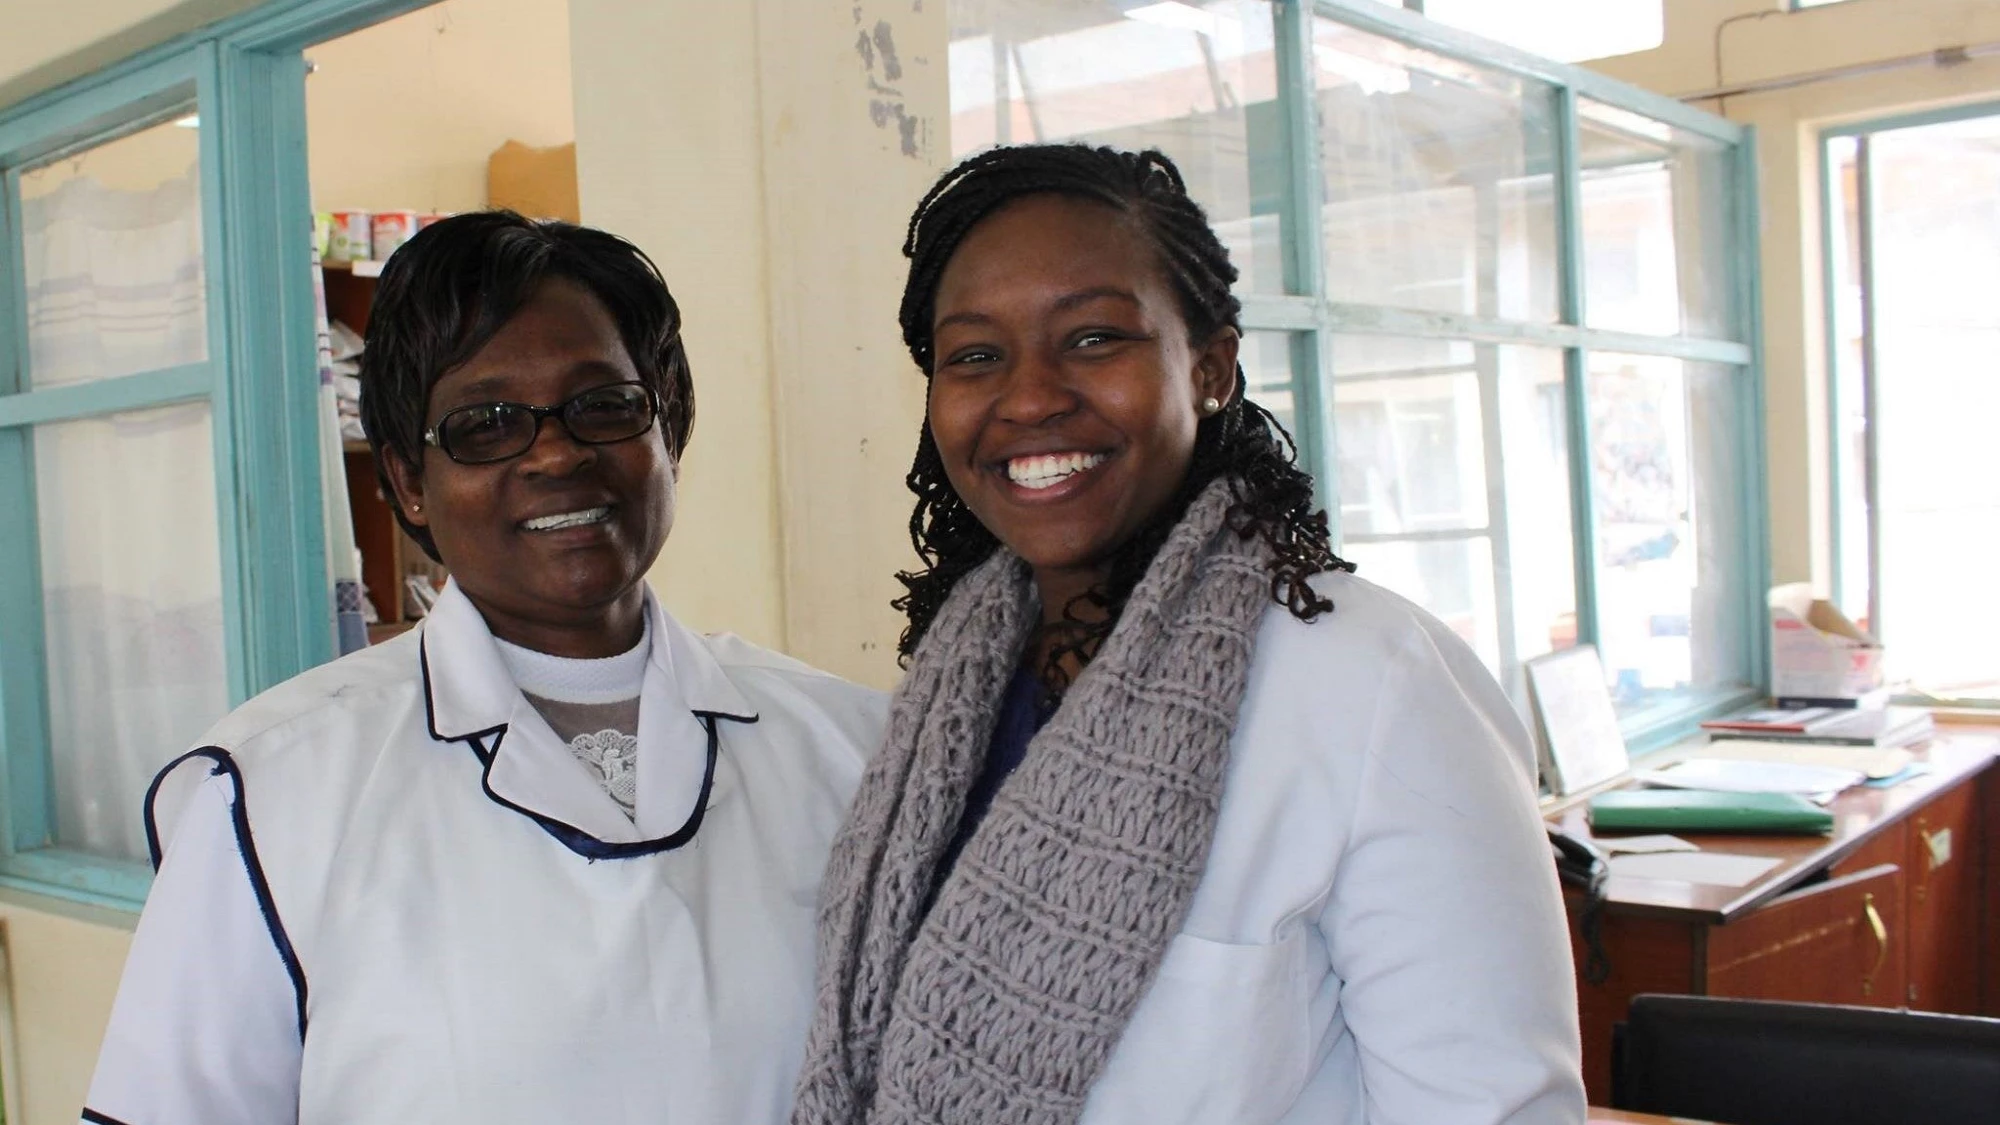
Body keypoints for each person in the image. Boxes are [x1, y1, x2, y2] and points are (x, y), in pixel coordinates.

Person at [791, 145, 1585, 1125]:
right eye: (975, 355)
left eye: (1090, 338)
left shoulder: (1367, 680)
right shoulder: (950, 694)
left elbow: (1493, 1110)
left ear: (1208, 367)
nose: (1029, 395)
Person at [83, 212, 885, 1125]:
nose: (556, 452)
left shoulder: (852, 749)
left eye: (604, 403)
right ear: (408, 480)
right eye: (486, 423)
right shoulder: (274, 789)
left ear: (666, 429)